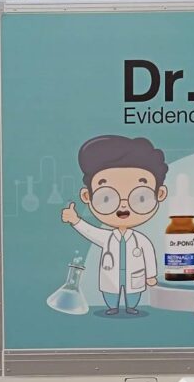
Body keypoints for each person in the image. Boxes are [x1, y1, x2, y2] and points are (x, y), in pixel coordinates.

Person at [61, 135, 168, 315]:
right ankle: (112, 307)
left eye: (140, 197)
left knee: (133, 293)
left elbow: (149, 256)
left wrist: (150, 276)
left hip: (135, 277)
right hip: (110, 276)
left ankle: (131, 306)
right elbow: (89, 231)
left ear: (160, 194)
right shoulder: (107, 237)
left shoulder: (141, 240)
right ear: (87, 196)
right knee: (110, 291)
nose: (123, 207)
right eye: (107, 198)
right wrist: (75, 220)